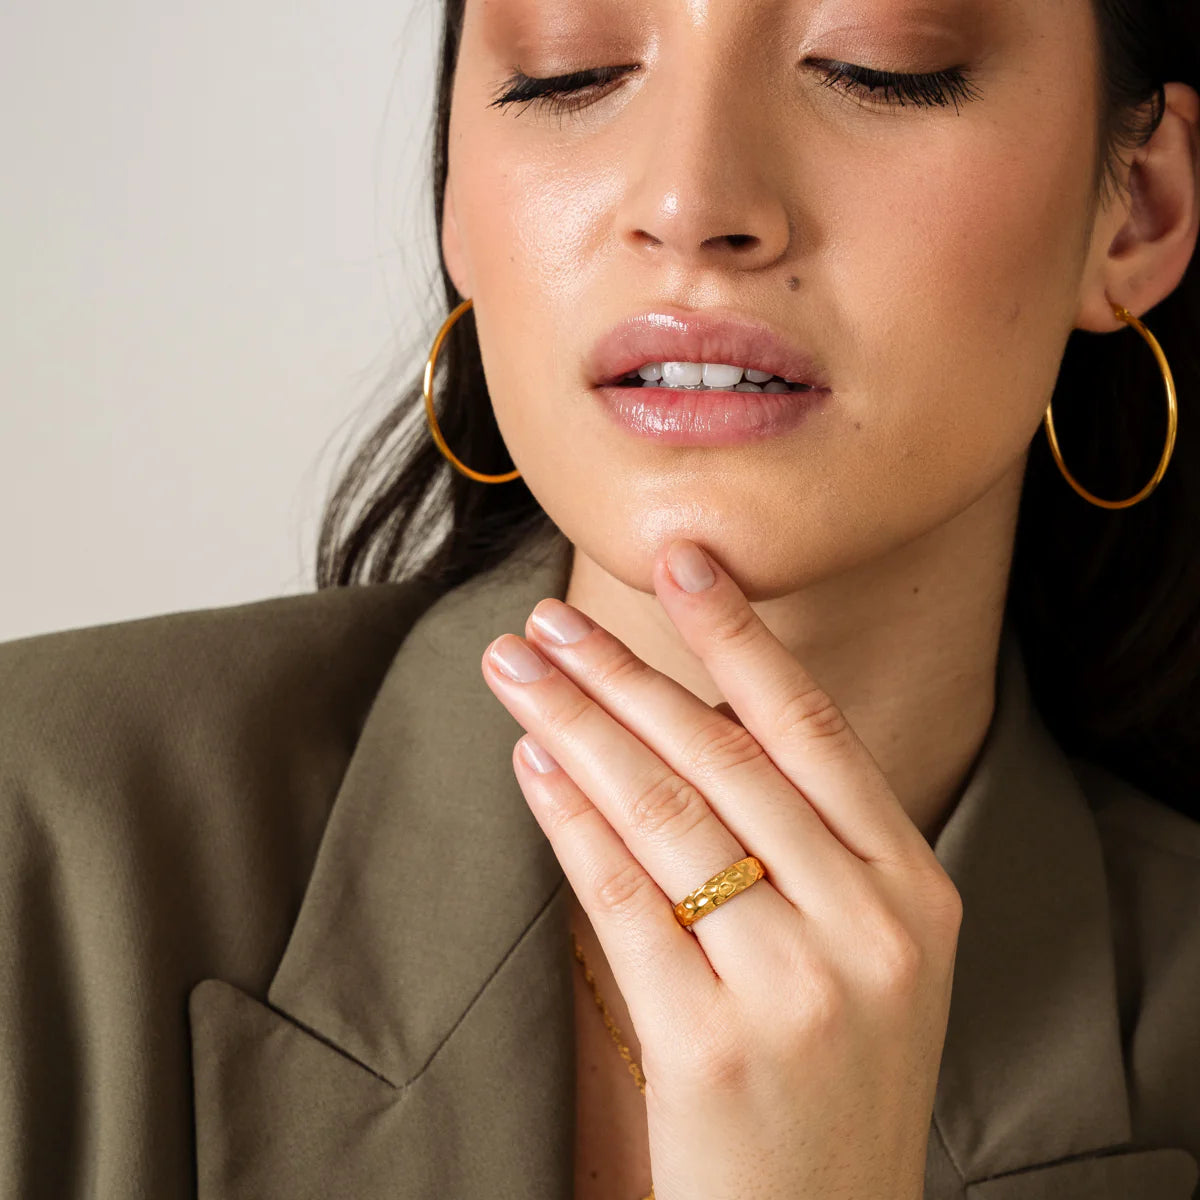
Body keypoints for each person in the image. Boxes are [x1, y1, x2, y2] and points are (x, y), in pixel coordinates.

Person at [3, 0, 1200, 1196]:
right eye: (566, 72)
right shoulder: (42, 843)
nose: (688, 204)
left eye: (874, 67)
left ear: (1136, 211)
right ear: (458, 202)